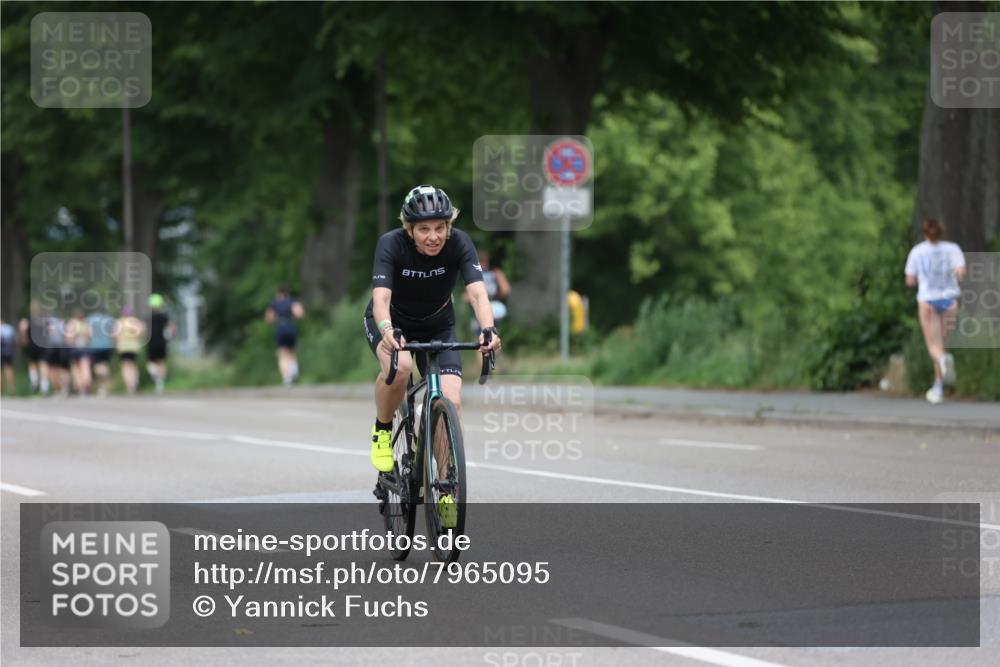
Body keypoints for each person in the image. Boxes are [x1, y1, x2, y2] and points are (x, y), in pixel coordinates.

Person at [363, 184, 502, 526]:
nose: (433, 236)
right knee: (402, 367)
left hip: (439, 325)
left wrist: (488, 330)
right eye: (424, 229)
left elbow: (478, 294)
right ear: (410, 229)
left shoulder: (460, 243)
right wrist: (387, 331)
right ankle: (382, 429)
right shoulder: (391, 244)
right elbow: (380, 300)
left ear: (449, 226)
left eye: (440, 227)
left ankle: (445, 490)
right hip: (391, 323)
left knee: (450, 402)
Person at [905, 217, 966, 404]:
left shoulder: (918, 251)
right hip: (949, 300)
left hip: (928, 301)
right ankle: (938, 388)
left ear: (924, 232)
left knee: (934, 347)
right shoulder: (953, 249)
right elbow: (961, 273)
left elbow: (910, 280)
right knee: (942, 346)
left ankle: (940, 374)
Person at [265, 285, 304, 386]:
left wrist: (275, 319)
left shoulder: (275, 303)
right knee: (291, 351)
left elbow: (269, 318)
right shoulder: (292, 302)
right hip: (291, 326)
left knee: (282, 353)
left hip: (281, 327)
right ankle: (294, 370)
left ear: (279, 293)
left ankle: (287, 377)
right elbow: (299, 314)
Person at [145, 294, 175, 395]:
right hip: (162, 342)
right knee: (162, 362)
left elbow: (142, 330)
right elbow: (172, 328)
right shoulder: (164, 317)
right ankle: (160, 383)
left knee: (151, 362)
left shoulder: (147, 317)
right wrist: (170, 336)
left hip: (151, 342)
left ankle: (155, 375)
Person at [114, 306, 145, 395]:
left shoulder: (120, 322)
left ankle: (129, 386)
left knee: (125, 366)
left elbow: (115, 334)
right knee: (133, 365)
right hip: (133, 347)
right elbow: (140, 332)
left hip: (123, 347)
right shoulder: (135, 321)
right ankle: (135, 383)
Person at [87, 308, 117, 397]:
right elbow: (114, 333)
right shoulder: (109, 319)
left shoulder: (91, 319)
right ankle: (104, 384)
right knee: (105, 364)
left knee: (97, 365)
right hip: (107, 345)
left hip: (95, 345)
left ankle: (102, 384)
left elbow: (89, 333)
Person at [21, 300, 48, 394]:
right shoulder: (44, 319)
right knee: (43, 364)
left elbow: (23, 329)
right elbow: (48, 331)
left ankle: (34, 381)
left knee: (32, 363)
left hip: (32, 344)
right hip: (43, 344)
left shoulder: (27, 319)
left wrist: (24, 339)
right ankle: (44, 387)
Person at [64, 308, 93, 395]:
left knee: (76, 369)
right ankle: (86, 383)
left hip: (74, 348)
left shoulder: (71, 323)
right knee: (85, 367)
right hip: (84, 348)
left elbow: (68, 338)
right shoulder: (86, 324)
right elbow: (90, 337)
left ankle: (80, 387)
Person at [0, 318, 16, 394]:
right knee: (9, 369)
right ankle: (11, 387)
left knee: (1, 371)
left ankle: (1, 390)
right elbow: (14, 339)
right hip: (8, 351)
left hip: (1, 350)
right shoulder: (9, 328)